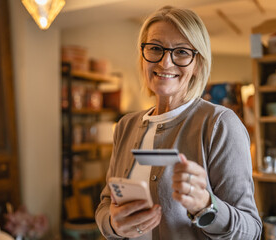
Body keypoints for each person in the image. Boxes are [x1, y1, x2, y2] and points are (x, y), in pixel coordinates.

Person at [95, 5, 262, 240]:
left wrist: (206, 206)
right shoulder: (126, 126)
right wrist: (113, 224)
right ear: (143, 56)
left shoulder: (220, 124)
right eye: (155, 48)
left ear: (198, 64)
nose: (165, 63)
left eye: (182, 52)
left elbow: (251, 231)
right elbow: (105, 203)